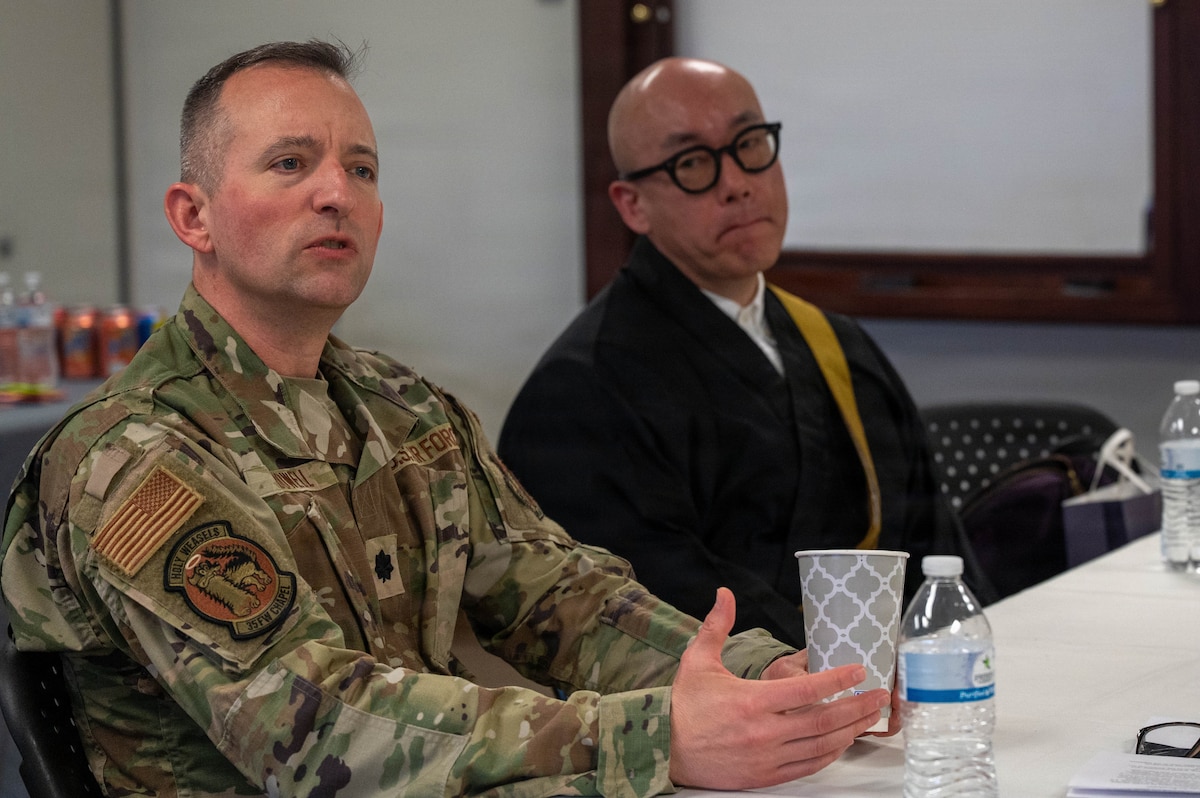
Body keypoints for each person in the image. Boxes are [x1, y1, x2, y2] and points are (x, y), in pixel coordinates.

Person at [0, 41, 893, 797]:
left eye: (361, 169)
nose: (335, 193)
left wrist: (761, 680)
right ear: (193, 216)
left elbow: (562, 598)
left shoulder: (406, 410)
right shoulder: (129, 457)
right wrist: (656, 736)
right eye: (290, 163)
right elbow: (315, 730)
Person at [499, 57, 992, 649]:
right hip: (728, 719)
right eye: (691, 163)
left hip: (902, 702)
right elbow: (649, 610)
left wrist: (958, 657)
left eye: (749, 143)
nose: (736, 182)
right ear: (633, 205)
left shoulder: (839, 345)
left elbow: (935, 547)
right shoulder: (580, 393)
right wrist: (840, 677)